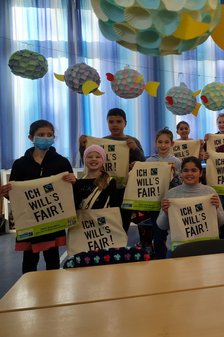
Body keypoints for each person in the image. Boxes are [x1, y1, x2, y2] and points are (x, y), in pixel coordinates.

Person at [0, 120, 75, 273]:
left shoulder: (62, 162)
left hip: (53, 220)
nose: (45, 138)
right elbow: (16, 197)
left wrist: (74, 182)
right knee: (29, 261)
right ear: (31, 137)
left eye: (49, 135)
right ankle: (27, 290)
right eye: (41, 135)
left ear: (54, 137)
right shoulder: (20, 164)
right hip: (30, 221)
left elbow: (70, 191)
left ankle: (53, 291)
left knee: (52, 259)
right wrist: (7, 193)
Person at [78, 108, 145, 231]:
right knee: (107, 221)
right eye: (111, 122)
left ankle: (122, 246)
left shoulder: (132, 141)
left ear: (125, 123)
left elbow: (142, 164)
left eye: (119, 121)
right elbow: (88, 161)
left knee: (124, 221)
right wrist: (82, 146)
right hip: (104, 187)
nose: (115, 125)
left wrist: (135, 149)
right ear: (107, 123)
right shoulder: (101, 142)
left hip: (124, 189)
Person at [157, 157, 224, 256]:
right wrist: (165, 212)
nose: (189, 173)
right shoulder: (171, 194)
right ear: (181, 173)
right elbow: (161, 226)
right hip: (178, 249)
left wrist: (216, 209)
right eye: (185, 170)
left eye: (194, 170)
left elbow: (222, 222)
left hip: (205, 248)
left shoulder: (210, 192)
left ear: (201, 173)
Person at [146, 128, 182, 259]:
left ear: (172, 144)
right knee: (157, 233)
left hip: (171, 203)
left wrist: (175, 173)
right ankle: (160, 258)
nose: (163, 145)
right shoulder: (149, 161)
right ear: (155, 143)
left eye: (166, 142)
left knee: (172, 232)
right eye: (160, 142)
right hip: (155, 204)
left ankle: (172, 257)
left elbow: (180, 184)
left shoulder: (177, 162)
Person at [72, 145, 120, 210]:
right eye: (89, 157)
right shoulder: (79, 182)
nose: (93, 159)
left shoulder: (110, 181)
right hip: (83, 219)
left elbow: (115, 205)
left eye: (98, 157)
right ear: (84, 160)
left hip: (104, 219)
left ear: (103, 160)